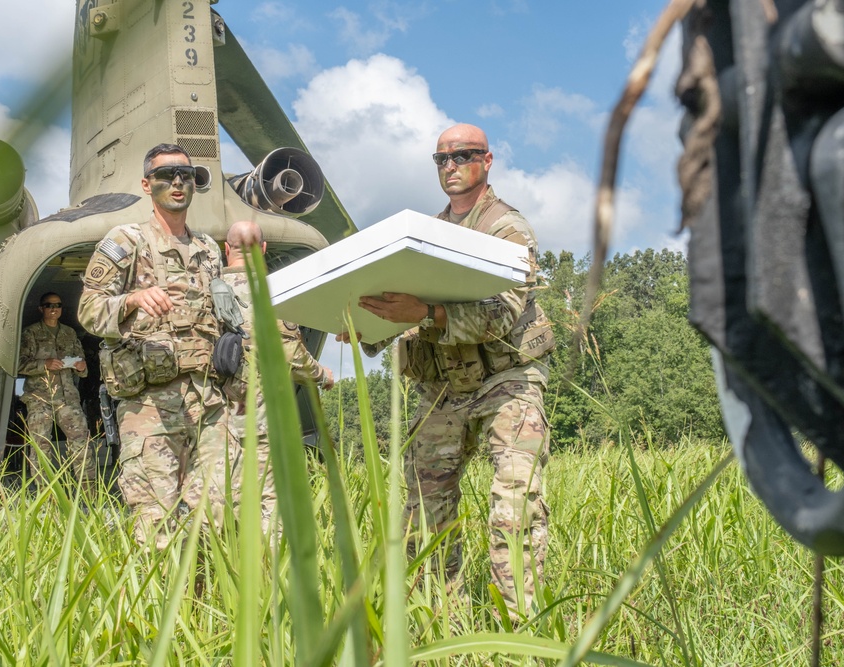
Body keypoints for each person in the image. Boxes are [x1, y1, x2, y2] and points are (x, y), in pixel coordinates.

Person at [342, 123, 554, 621]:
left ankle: (521, 627)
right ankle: (442, 618)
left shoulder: (507, 228)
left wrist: (426, 314)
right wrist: (359, 322)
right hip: (442, 388)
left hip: (507, 381)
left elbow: (502, 314)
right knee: (423, 508)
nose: (451, 166)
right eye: (441, 159)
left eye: (462, 155)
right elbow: (399, 306)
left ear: (487, 160)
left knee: (514, 506)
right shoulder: (424, 235)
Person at [78, 143, 235, 549]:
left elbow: (225, 317)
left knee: (217, 518)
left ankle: (208, 606)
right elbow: (89, 309)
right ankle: (158, 610)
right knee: (157, 526)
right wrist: (130, 300)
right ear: (148, 185)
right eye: (166, 176)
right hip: (150, 408)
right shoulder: (126, 241)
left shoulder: (208, 250)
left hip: (208, 403)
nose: (177, 182)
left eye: (185, 174)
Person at [220, 220, 334, 531]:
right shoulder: (275, 293)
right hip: (261, 419)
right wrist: (323, 375)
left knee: (220, 501)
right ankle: (269, 572)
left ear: (226, 249)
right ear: (264, 249)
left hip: (213, 421)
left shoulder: (206, 293)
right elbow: (291, 355)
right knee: (269, 503)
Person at [17, 292, 95, 489]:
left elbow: (83, 365)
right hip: (39, 398)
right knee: (41, 446)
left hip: (68, 398)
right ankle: (47, 496)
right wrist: (45, 364)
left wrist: (81, 367)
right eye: (49, 305)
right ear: (41, 308)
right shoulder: (31, 333)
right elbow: (18, 365)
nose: (54, 309)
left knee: (81, 444)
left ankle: (89, 495)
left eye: (58, 305)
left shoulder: (69, 333)